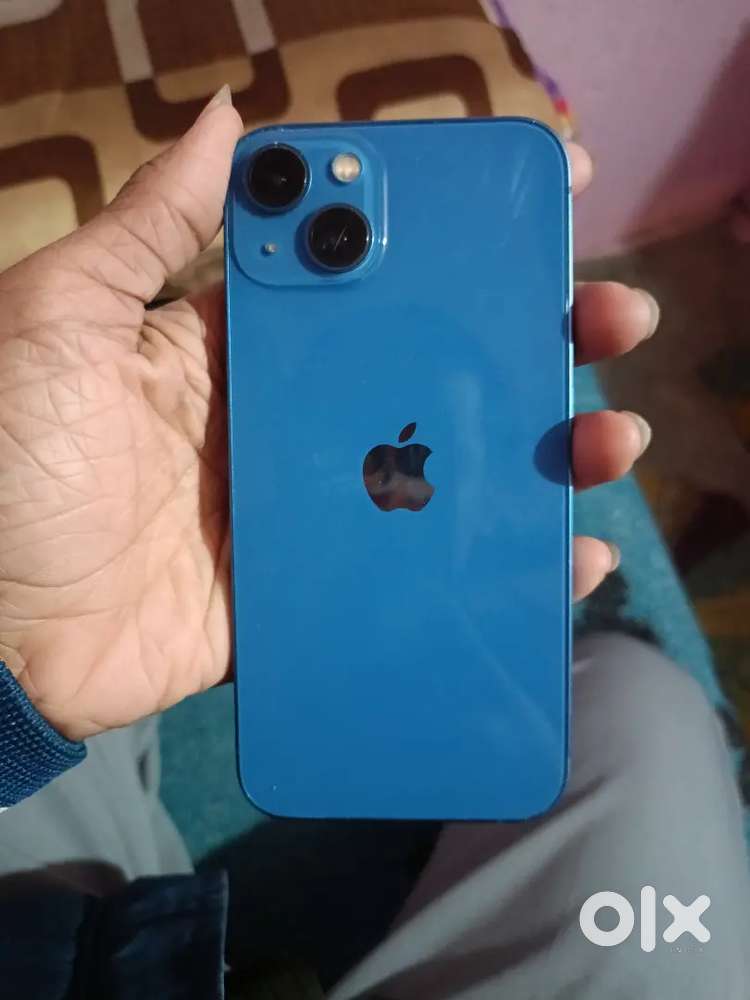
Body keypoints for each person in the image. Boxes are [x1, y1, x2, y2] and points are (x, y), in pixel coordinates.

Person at [0, 86, 746, 999]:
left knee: (632, 703)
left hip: (64, 937)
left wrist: (15, 655)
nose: (403, 479)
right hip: (95, 948)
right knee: (643, 700)